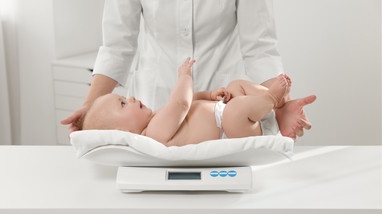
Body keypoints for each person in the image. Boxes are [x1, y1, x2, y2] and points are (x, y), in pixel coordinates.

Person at [61, 0, 313, 140]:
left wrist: (281, 107)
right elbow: (117, 46)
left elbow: (260, 48)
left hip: (228, 105)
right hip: (153, 108)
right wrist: (91, 106)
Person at [82, 58, 316, 146]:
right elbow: (181, 105)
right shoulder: (152, 133)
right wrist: (184, 77)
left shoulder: (156, 119)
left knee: (236, 86)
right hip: (231, 129)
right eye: (123, 104)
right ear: (123, 133)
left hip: (224, 113)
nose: (131, 98)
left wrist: (209, 96)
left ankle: (278, 110)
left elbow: (190, 103)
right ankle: (270, 98)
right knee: (235, 110)